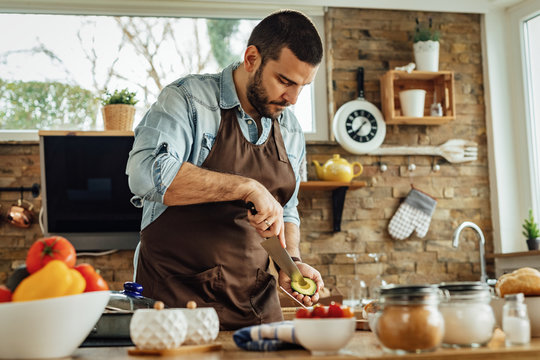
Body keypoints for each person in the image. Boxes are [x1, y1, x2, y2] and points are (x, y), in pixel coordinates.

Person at [126, 9, 324, 330]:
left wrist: (293, 263)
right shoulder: (188, 101)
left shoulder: (289, 128)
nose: (293, 99)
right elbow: (146, 172)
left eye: (303, 86)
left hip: (258, 314)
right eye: (285, 81)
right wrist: (247, 187)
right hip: (177, 312)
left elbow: (287, 208)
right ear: (251, 58)